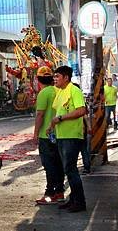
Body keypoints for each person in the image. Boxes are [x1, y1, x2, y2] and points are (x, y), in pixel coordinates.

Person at [48, 66, 87, 213]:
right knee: (68, 169)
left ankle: (80, 202)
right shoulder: (60, 92)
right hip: (62, 135)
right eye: (54, 76)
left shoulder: (74, 90)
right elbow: (59, 111)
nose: (55, 79)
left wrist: (60, 118)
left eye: (57, 76)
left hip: (72, 136)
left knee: (71, 169)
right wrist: (52, 125)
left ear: (66, 77)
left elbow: (81, 110)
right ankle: (73, 200)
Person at [33, 66, 64, 205]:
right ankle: (59, 192)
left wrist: (35, 133)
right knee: (58, 163)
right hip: (60, 134)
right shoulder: (59, 90)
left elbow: (40, 115)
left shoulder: (43, 93)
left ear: (38, 80)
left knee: (49, 165)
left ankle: (50, 193)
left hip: (46, 136)